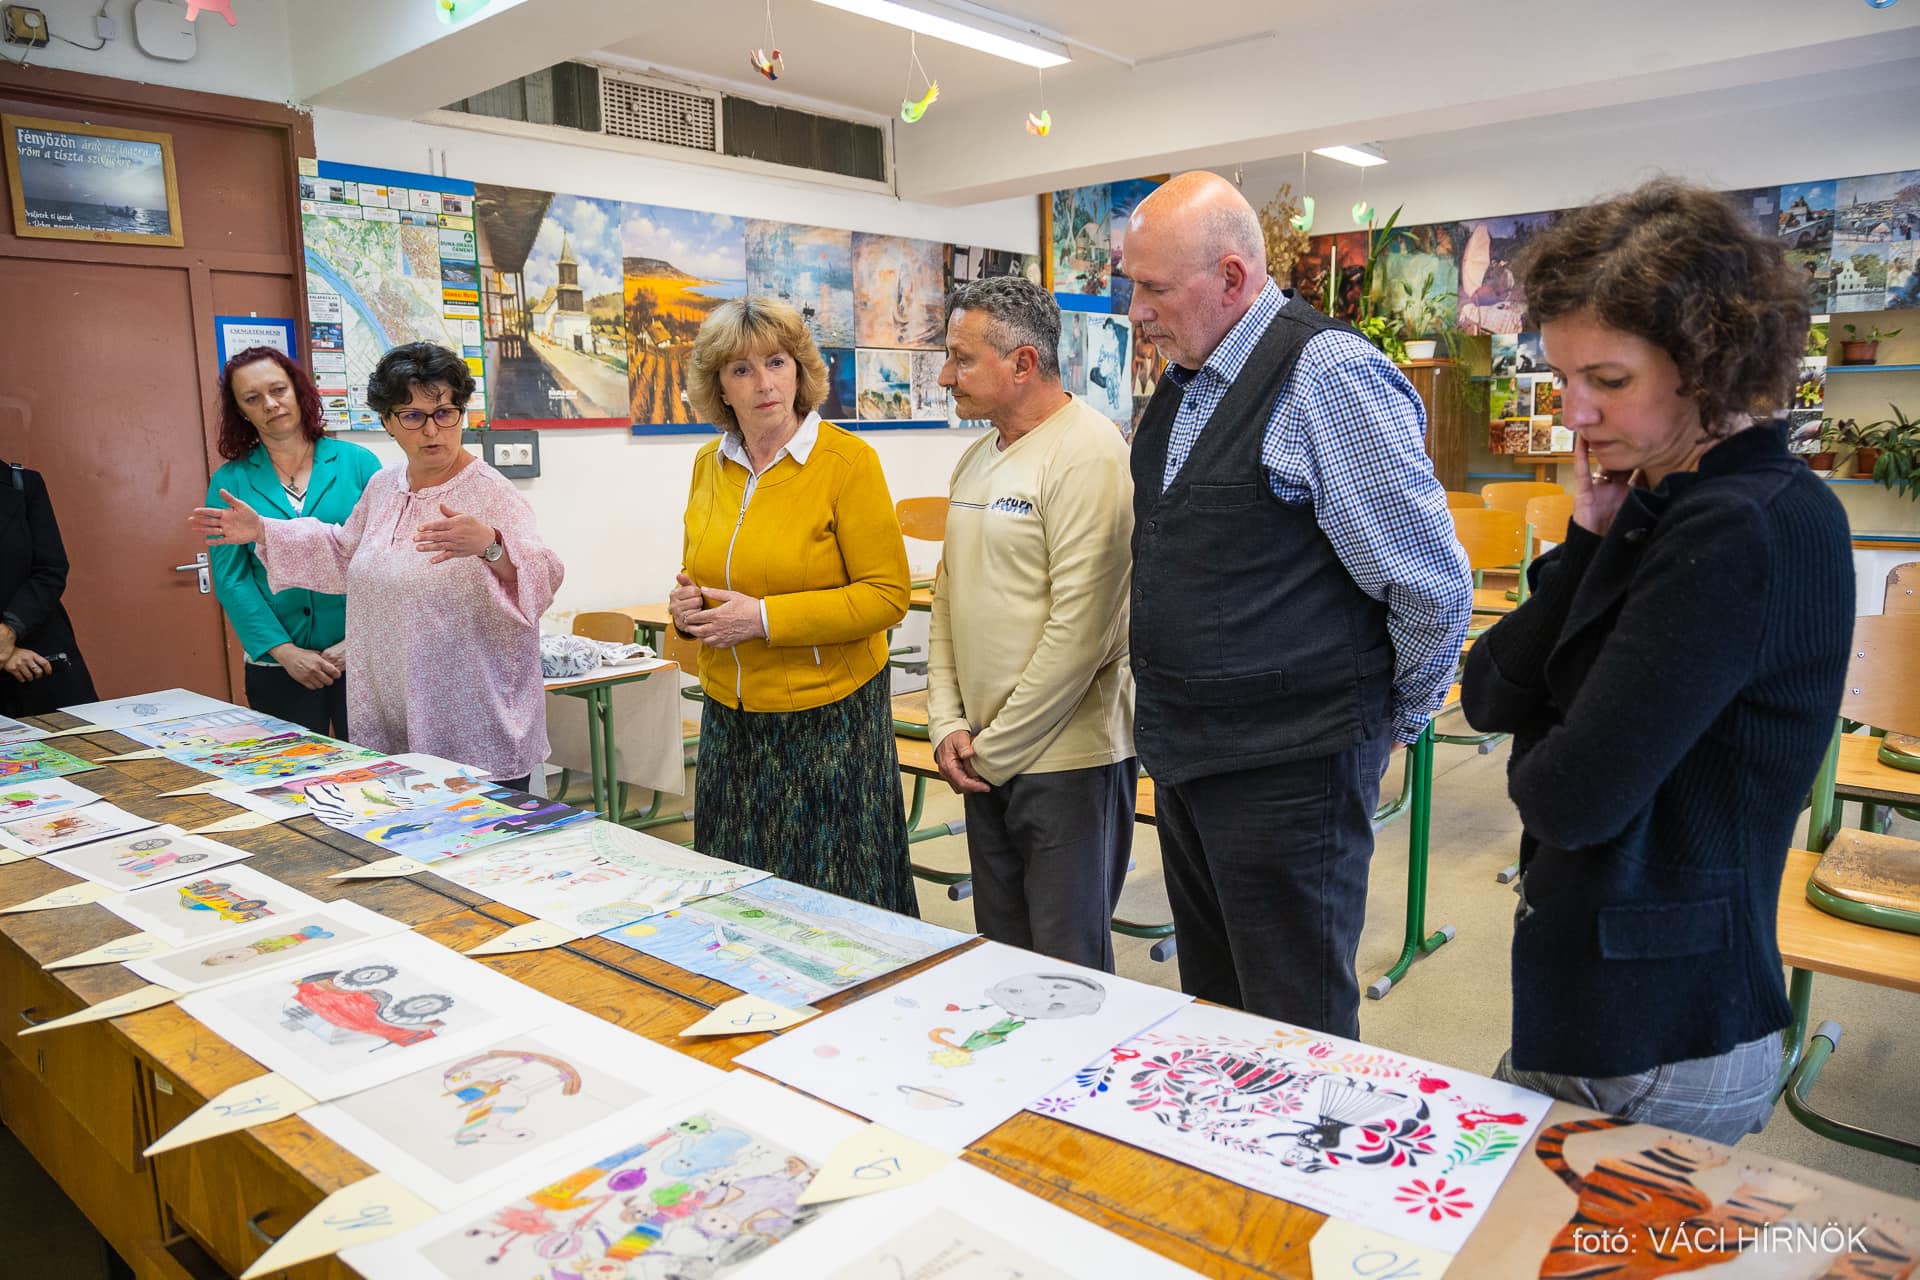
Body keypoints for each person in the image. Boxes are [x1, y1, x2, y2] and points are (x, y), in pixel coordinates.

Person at [1461, 179, 1854, 1143]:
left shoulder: (1737, 527)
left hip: (1655, 1026)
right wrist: (1589, 542)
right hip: (1606, 996)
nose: (1576, 413)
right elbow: (1486, 692)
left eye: (1610, 380)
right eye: (1563, 380)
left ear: (1706, 362)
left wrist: (1550, 729)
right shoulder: (1661, 504)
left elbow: (1566, 797)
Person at [1123, 171, 1472, 1038]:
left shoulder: (1327, 377)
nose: (1135, 310)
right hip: (1194, 757)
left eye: (1153, 287)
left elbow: (1431, 582)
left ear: (1233, 278)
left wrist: (1397, 722)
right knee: (1217, 1008)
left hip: (1292, 764)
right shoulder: (1186, 383)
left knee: (1295, 1022)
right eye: (1132, 284)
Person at [190, 343, 562, 789]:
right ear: (387, 422)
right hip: (396, 705)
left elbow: (544, 578)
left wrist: (491, 546)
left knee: (479, 845)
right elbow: (343, 552)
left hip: (471, 713)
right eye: (412, 416)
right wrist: (265, 532)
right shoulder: (385, 486)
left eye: (445, 412)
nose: (432, 431)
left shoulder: (490, 492)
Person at [669, 298, 914, 913]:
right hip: (730, 714)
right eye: (741, 370)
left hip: (826, 718)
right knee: (739, 899)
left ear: (800, 369)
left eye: (776, 362)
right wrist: (687, 606)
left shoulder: (847, 463)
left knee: (830, 901)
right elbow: (703, 568)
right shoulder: (709, 463)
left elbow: (888, 596)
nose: (764, 383)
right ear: (719, 386)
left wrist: (762, 619)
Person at [927, 277, 1136, 970]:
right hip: (985, 758)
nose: (944, 375)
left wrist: (996, 748)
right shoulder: (976, 458)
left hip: (1066, 763)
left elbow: (1082, 633)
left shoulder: (1090, 453)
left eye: (962, 358)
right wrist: (947, 723)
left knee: (1068, 969)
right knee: (1004, 960)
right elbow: (947, 603)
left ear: (1022, 363)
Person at [206, 346, 380, 737]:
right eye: (253, 398)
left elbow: (384, 559)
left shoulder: (359, 463)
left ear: (298, 391)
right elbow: (232, 578)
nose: (270, 404)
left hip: (362, 655)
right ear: (241, 411)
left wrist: (358, 640)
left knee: (382, 775)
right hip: (279, 665)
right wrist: (284, 652)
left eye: (278, 390)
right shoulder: (230, 482)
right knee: (295, 786)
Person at [0, 458, 97, 715]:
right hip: (17, 659)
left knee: (79, 748)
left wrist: (7, 632)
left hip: (39, 655)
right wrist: (5, 653)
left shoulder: (22, 484)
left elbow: (51, 569)